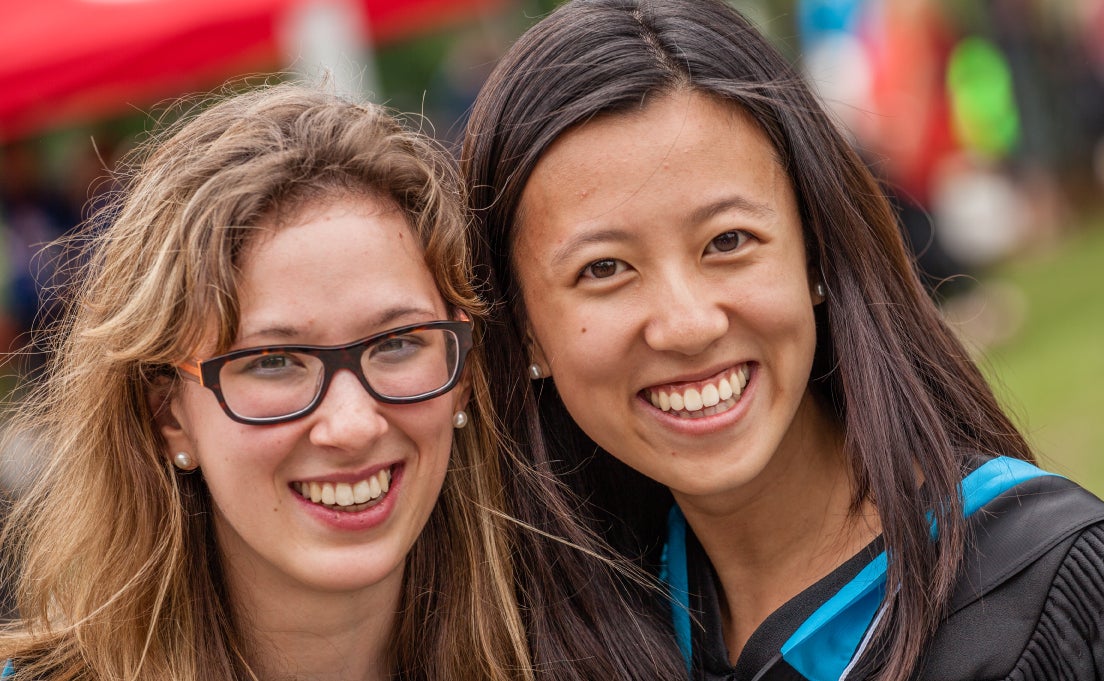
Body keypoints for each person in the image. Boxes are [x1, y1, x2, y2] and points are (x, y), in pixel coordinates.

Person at [460, 1, 1104, 680]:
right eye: (603, 268)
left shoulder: (1057, 593)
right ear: (525, 331)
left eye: (728, 240)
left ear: (815, 256)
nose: (687, 323)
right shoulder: (553, 633)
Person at [0, 83, 681, 681]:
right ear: (168, 415)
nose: (352, 424)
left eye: (397, 343)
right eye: (272, 361)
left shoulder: (602, 651)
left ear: (465, 376)